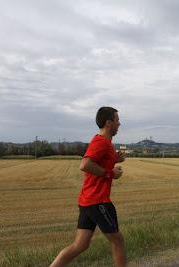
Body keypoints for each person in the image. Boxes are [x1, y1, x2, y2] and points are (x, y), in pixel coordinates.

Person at [50, 107, 127, 267]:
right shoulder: (101, 142)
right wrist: (111, 174)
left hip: (87, 200)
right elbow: (85, 165)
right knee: (117, 240)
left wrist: (114, 159)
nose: (119, 123)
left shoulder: (105, 143)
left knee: (80, 245)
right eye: (117, 120)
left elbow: (99, 162)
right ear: (108, 123)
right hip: (98, 201)